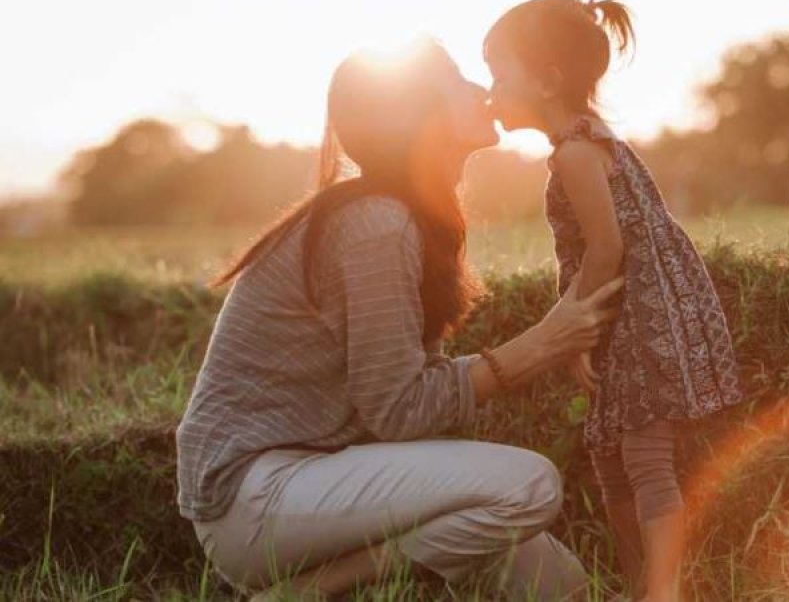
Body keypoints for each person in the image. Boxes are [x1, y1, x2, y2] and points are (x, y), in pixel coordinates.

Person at [175, 37, 623, 601]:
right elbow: (399, 411)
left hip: (320, 480)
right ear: (422, 117)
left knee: (564, 587)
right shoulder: (375, 224)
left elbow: (406, 402)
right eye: (460, 80)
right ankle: (305, 592)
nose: (482, 89)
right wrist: (542, 345)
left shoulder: (403, 215)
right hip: (255, 501)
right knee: (529, 486)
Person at [483, 0, 743, 602]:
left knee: (646, 461)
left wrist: (570, 327)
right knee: (612, 461)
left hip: (641, 322)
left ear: (546, 81)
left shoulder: (575, 152)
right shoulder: (585, 142)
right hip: (633, 318)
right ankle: (639, 584)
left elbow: (606, 248)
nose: (491, 90)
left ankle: (664, 590)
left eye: (499, 74)